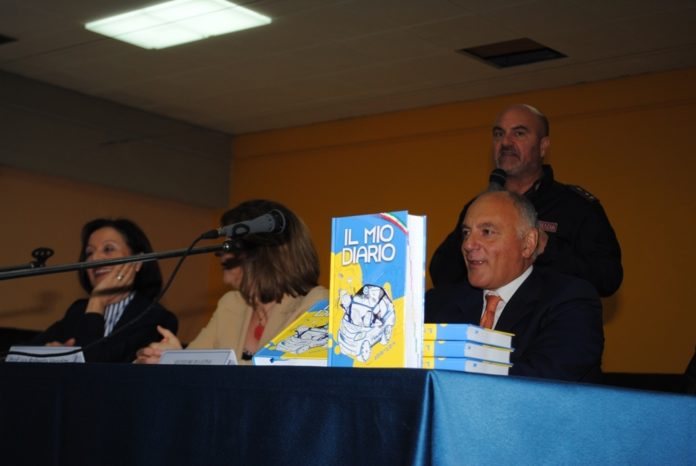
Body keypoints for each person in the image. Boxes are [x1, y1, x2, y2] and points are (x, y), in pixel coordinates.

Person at [429, 104, 623, 297]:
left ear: (543, 146)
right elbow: (442, 275)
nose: (505, 142)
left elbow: (608, 278)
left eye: (519, 133)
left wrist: (547, 248)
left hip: (552, 314)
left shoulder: (576, 207)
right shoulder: (479, 208)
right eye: (499, 134)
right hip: (489, 314)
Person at [425, 190, 604, 382]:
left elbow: (541, 382)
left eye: (487, 232)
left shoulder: (570, 301)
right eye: (466, 233)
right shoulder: (437, 303)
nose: (468, 244)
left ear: (528, 244)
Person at [135, 199, 328, 365]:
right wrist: (172, 358)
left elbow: (286, 379)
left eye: (229, 244)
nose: (221, 253)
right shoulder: (232, 303)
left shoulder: (318, 304)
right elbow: (197, 366)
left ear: (263, 252)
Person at [30, 218, 178, 362]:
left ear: (137, 262)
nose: (95, 258)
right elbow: (24, 353)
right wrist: (49, 352)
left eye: (108, 249)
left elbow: (96, 369)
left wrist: (97, 302)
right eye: (89, 253)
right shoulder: (77, 311)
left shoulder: (156, 318)